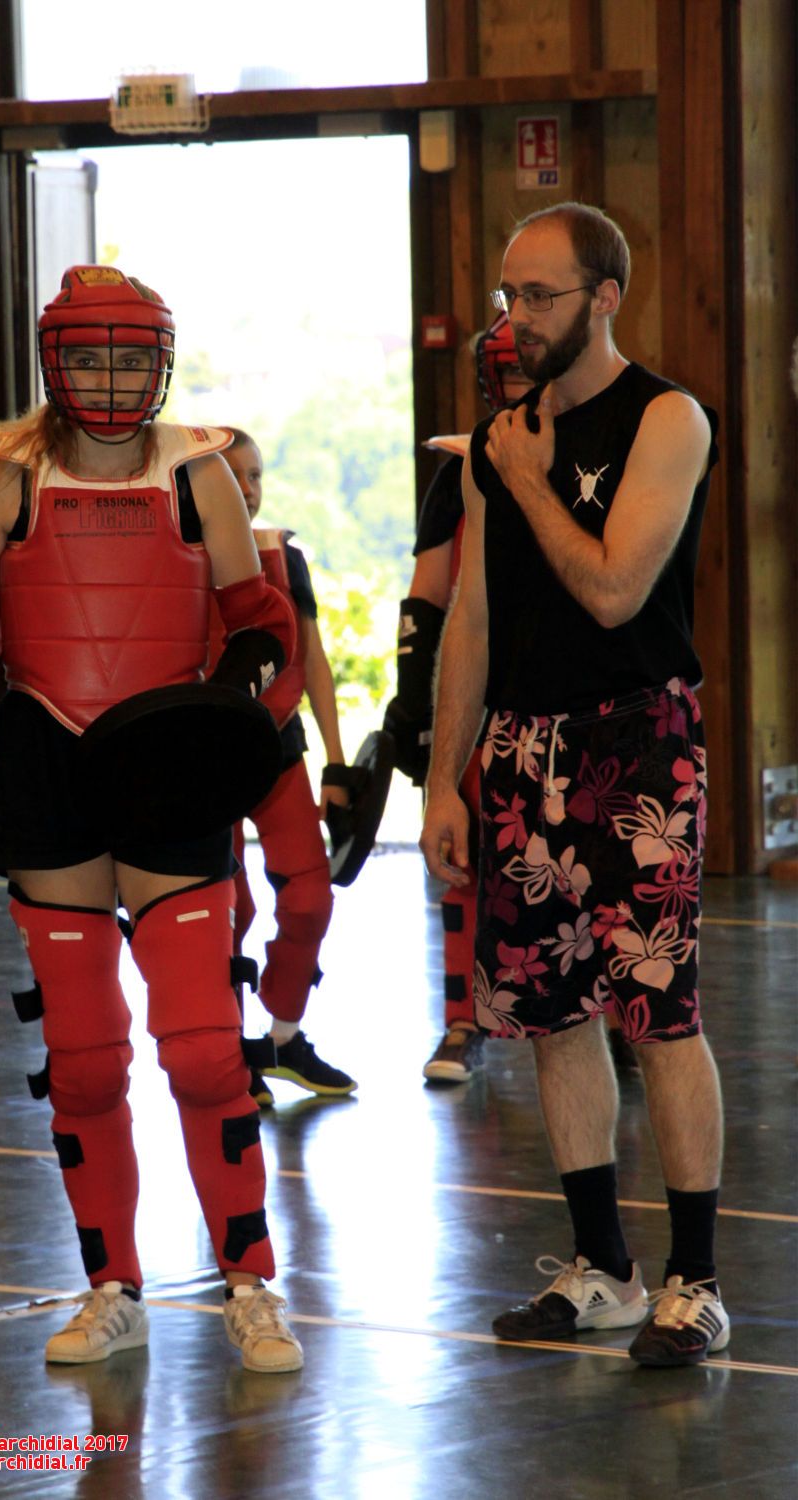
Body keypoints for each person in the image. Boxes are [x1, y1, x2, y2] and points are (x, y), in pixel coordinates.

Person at [0, 266, 303, 1374]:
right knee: (85, 1062)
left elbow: (257, 618)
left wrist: (233, 698)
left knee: (200, 1050)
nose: (108, 379)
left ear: (161, 362)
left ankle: (249, 1280)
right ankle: (111, 1287)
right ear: (54, 362)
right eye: (87, 358)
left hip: (168, 763)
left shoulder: (197, 473)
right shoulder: (5, 477)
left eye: (128, 358)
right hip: (48, 762)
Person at [420, 203, 729, 1367]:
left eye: (537, 297)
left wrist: (531, 480)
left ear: (603, 297)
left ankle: (693, 1279)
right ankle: (600, 1267)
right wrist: (446, 779)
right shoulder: (504, 435)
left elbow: (612, 590)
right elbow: (476, 621)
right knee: (548, 1020)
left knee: (658, 1017)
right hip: (519, 753)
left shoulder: (665, 418)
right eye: (506, 297)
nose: (514, 320)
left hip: (637, 744)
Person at [386, 313, 533, 1084]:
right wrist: (415, 700)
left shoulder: (612, 453)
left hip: (571, 695)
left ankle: (608, 1019)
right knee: (463, 856)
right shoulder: (461, 468)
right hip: (479, 693)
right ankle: (461, 1020)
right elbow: (428, 596)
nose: (523, 384)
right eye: (509, 371)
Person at [214, 427, 356, 1106]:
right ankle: (224, 1048)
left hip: (278, 748)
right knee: (226, 907)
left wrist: (337, 761)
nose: (247, 488)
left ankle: (282, 1038)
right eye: (233, 476)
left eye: (256, 475)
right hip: (205, 755)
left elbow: (315, 661)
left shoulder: (283, 555)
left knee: (310, 898)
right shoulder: (177, 554)